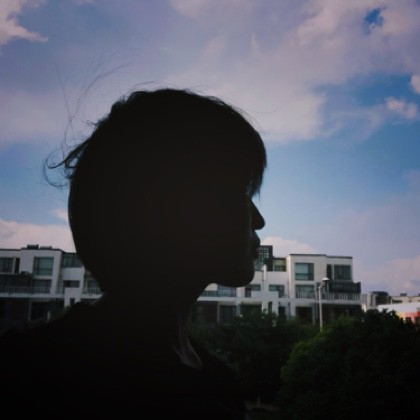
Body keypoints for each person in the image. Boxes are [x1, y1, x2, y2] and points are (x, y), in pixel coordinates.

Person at [0, 88, 266, 418]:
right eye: (241, 191)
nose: (258, 219)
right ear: (184, 206)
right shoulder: (28, 379)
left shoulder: (37, 369)